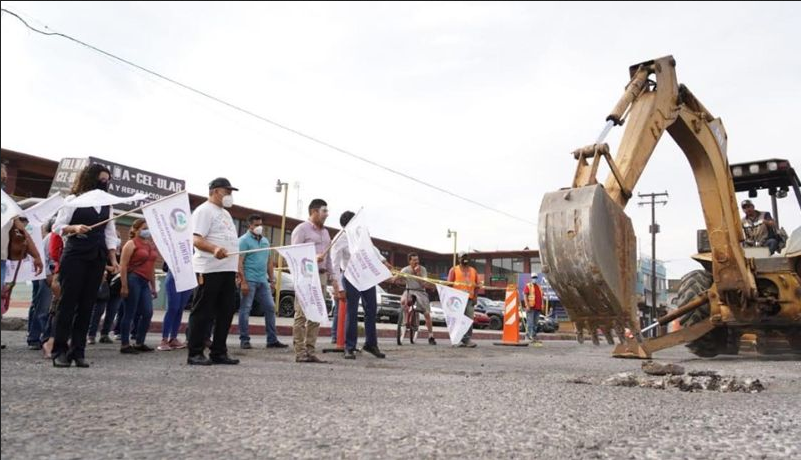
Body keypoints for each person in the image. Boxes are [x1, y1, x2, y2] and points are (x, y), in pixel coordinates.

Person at [51, 163, 119, 368]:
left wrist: (113, 259)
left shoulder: (108, 205)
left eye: (107, 180)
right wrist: (74, 227)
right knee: (68, 303)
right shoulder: (74, 200)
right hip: (75, 255)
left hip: (97, 257)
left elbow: (110, 234)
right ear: (90, 178)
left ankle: (78, 351)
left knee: (87, 304)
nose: (105, 183)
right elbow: (56, 226)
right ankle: (59, 351)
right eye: (102, 179)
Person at [186, 178, 241, 366]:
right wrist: (214, 249)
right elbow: (196, 239)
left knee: (226, 312)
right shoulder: (204, 211)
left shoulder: (225, 214)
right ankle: (195, 352)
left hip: (227, 270)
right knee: (203, 312)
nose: (230, 196)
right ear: (215, 191)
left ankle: (219, 352)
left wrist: (237, 269)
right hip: (209, 269)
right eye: (228, 192)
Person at [332, 211, 391, 360]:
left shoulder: (361, 233)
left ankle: (371, 344)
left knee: (371, 310)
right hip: (351, 277)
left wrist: (383, 260)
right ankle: (349, 347)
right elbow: (334, 265)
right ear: (349, 224)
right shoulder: (339, 239)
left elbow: (371, 248)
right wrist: (339, 287)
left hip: (366, 276)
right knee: (352, 312)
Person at [291, 199, 339, 363]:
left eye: (327, 211)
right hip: (306, 276)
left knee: (316, 313)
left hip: (322, 276)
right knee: (302, 314)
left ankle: (310, 350)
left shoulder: (326, 233)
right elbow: (295, 256)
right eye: (323, 211)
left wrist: (334, 278)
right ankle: (300, 352)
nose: (326, 214)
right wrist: (312, 258)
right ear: (314, 211)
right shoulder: (301, 230)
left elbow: (329, 258)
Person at [238, 214, 287, 349]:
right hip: (249, 279)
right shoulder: (243, 241)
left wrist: (272, 279)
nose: (259, 227)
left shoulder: (265, 241)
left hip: (262, 280)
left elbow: (269, 262)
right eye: (256, 225)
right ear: (249, 226)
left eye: (260, 224)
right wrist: (243, 282)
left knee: (270, 308)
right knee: (245, 309)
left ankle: (272, 340)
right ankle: (244, 339)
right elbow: (239, 261)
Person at [119, 219, 159, 354]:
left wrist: (153, 286)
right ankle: (125, 344)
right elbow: (123, 266)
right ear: (136, 230)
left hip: (144, 282)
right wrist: (124, 285)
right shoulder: (131, 244)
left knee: (147, 312)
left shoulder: (149, 245)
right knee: (129, 312)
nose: (146, 230)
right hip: (133, 279)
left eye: (147, 228)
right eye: (144, 228)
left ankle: (139, 341)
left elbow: (152, 268)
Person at [87, 232, 122, 345]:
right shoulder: (103, 250)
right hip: (104, 283)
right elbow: (97, 262)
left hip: (117, 285)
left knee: (112, 311)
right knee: (98, 310)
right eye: (115, 236)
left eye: (119, 237)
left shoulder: (120, 253)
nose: (117, 239)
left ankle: (105, 334)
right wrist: (109, 268)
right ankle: (91, 334)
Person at [397, 253, 436, 345]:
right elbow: (397, 277)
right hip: (409, 290)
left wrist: (418, 274)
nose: (416, 262)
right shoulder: (405, 269)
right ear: (409, 261)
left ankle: (431, 336)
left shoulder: (423, 269)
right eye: (414, 260)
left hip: (420, 291)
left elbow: (423, 284)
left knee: (426, 313)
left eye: (417, 260)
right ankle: (405, 322)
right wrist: (395, 279)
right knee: (403, 302)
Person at [447, 252, 479, 348]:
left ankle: (467, 339)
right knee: (457, 320)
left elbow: (477, 286)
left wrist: (475, 297)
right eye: (463, 257)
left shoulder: (473, 271)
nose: (465, 259)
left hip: (469, 299)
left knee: (468, 320)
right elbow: (449, 284)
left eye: (467, 257)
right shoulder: (454, 270)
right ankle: (456, 339)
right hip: (457, 299)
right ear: (458, 259)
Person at [157, 262, 189, 351]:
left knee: (180, 309)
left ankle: (173, 338)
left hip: (188, 279)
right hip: (174, 276)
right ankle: (164, 339)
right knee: (173, 308)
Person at [523, 273, 544, 344]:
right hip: (531, 307)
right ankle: (528, 336)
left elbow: (542, 297)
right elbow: (525, 296)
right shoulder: (528, 286)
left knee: (535, 323)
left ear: (537, 278)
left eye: (535, 277)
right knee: (530, 323)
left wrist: (542, 305)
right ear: (531, 278)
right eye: (533, 277)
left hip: (538, 308)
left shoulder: (539, 286)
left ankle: (533, 336)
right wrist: (527, 305)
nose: (534, 278)